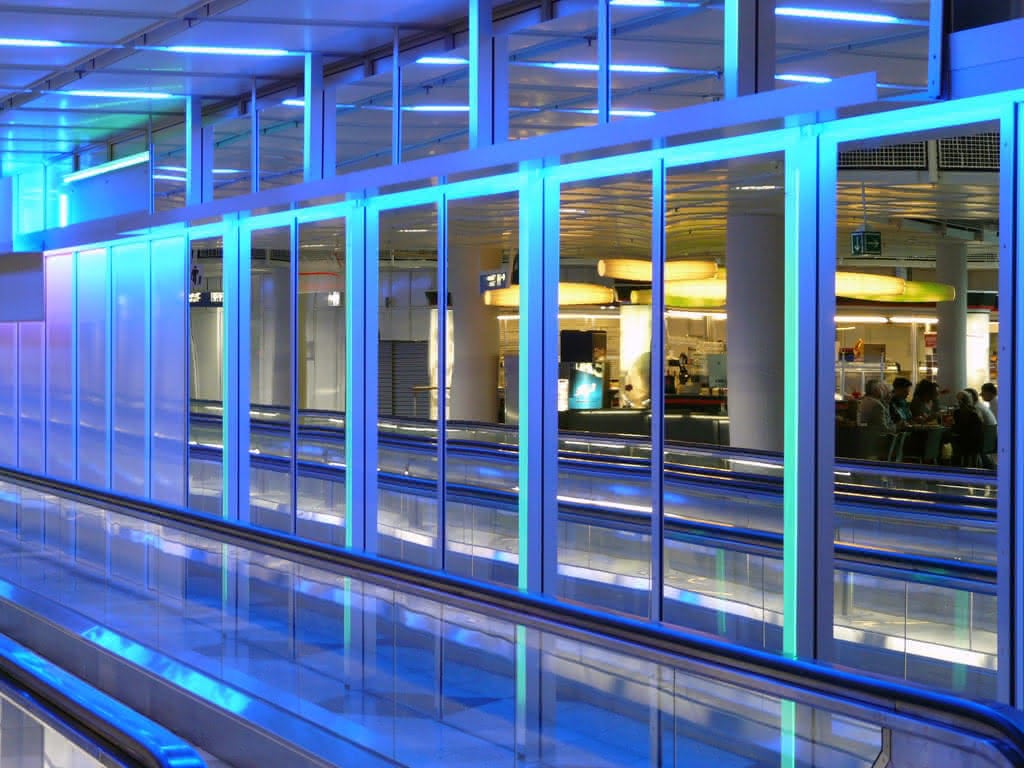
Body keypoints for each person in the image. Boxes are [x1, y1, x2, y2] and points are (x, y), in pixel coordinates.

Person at [952, 390, 985, 467]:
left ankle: (954, 464)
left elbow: (959, 429)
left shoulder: (958, 412)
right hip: (977, 442)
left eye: (958, 401)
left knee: (949, 440)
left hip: (967, 442)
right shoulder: (976, 411)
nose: (957, 403)